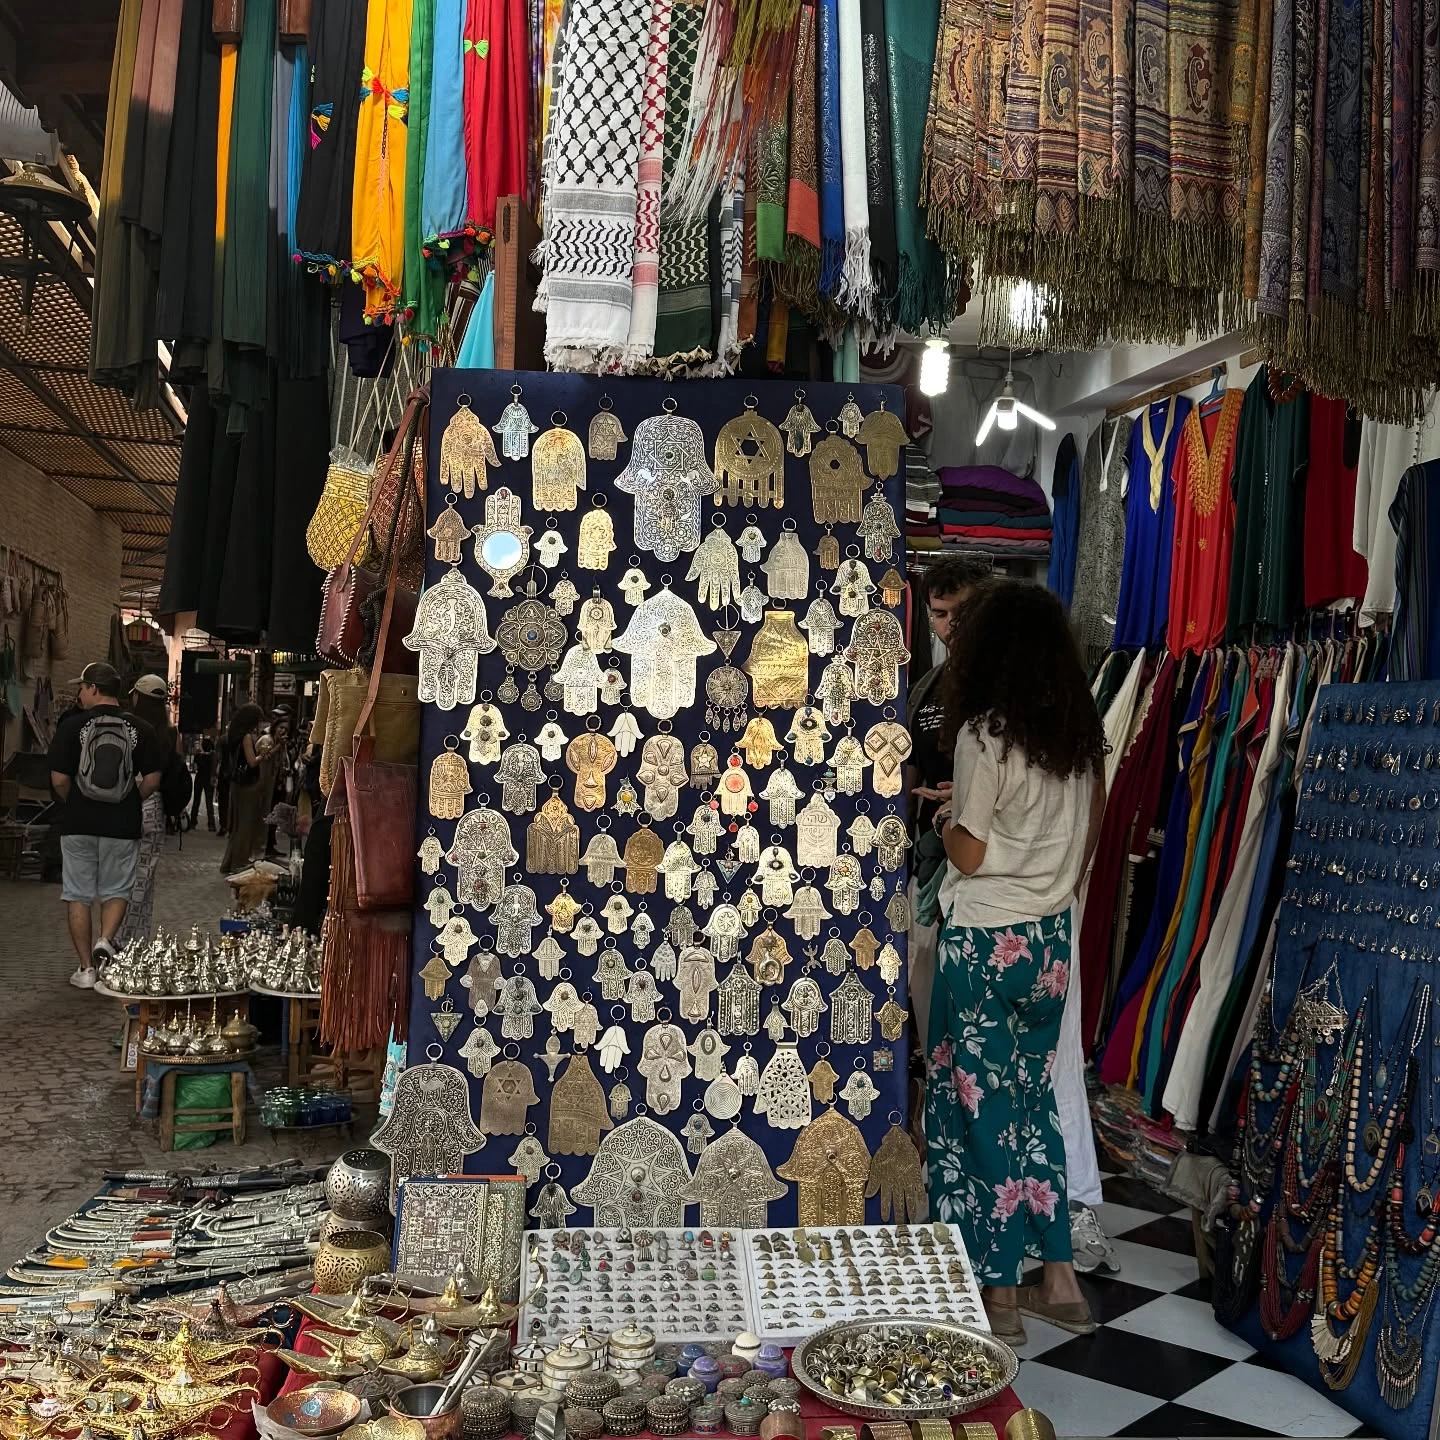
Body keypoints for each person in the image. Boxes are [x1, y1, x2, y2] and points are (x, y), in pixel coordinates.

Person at [927, 582, 1107, 1345]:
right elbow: (1086, 846)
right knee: (1033, 1106)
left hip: (984, 943)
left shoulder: (984, 735)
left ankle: (998, 1298)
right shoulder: (1078, 738)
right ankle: (1059, 1280)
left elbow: (967, 853)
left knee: (979, 1115)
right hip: (1048, 945)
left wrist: (944, 821)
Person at [47, 662, 164, 988]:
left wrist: (75, 801)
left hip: (78, 823)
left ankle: (85, 969)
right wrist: (130, 800)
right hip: (122, 824)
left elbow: (58, 779)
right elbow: (153, 780)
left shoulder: (71, 726)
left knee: (77, 894)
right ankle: (106, 940)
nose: (80, 694)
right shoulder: (142, 728)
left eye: (82, 688)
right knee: (117, 890)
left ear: (94, 689)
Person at [117, 676, 181, 949]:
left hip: (124, 800)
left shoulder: (125, 728)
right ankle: (136, 939)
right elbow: (175, 773)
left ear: (137, 698)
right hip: (154, 806)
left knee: (118, 876)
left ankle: (114, 935)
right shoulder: (170, 734)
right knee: (144, 877)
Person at [220, 705, 267, 873]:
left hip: (236, 783)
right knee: (245, 825)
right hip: (247, 784)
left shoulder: (234, 735)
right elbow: (252, 761)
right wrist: (262, 755)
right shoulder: (246, 736)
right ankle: (239, 862)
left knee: (237, 824)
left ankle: (230, 861)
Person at [190, 735, 217, 830]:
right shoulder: (212, 756)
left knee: (196, 801)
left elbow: (194, 767)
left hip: (199, 778)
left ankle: (193, 822)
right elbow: (214, 768)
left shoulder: (198, 755)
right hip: (208, 779)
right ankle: (211, 824)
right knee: (209, 802)